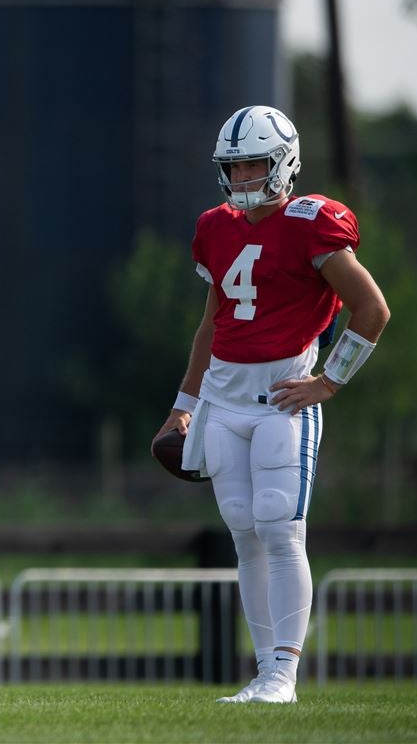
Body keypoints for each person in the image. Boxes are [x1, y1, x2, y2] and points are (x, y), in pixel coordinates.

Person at [152, 105, 389, 704]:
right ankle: (264, 673)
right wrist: (183, 403)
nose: (242, 178)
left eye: (253, 164)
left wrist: (330, 381)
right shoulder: (215, 226)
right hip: (223, 403)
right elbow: (210, 325)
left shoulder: (313, 221)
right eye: (233, 167)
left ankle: (283, 675)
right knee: (244, 533)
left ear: (283, 162)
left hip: (282, 399)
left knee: (280, 527)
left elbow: (373, 309)